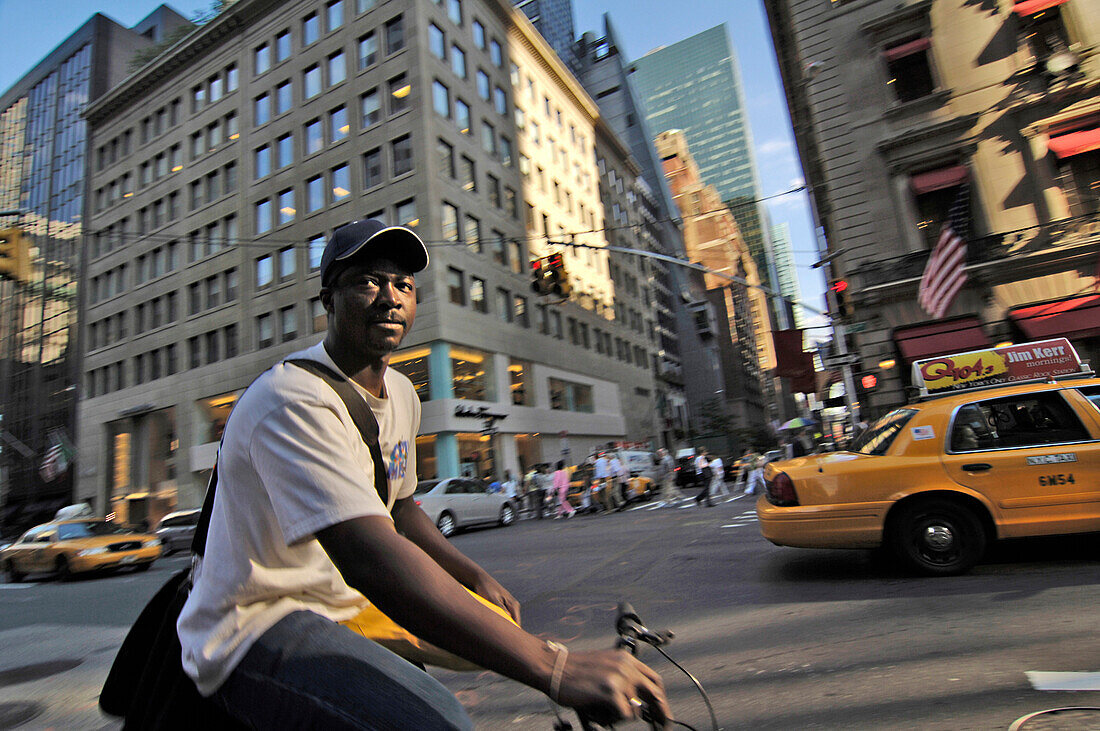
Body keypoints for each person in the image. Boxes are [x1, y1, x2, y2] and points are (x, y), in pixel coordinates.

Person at [177, 219, 667, 729]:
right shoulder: (293, 400)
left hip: (343, 604)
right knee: (438, 719)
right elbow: (371, 560)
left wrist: (471, 573)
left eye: (403, 285)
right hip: (259, 621)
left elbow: (403, 508)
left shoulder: (404, 398)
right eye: (368, 281)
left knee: (489, 633)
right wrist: (557, 668)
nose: (389, 296)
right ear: (328, 298)